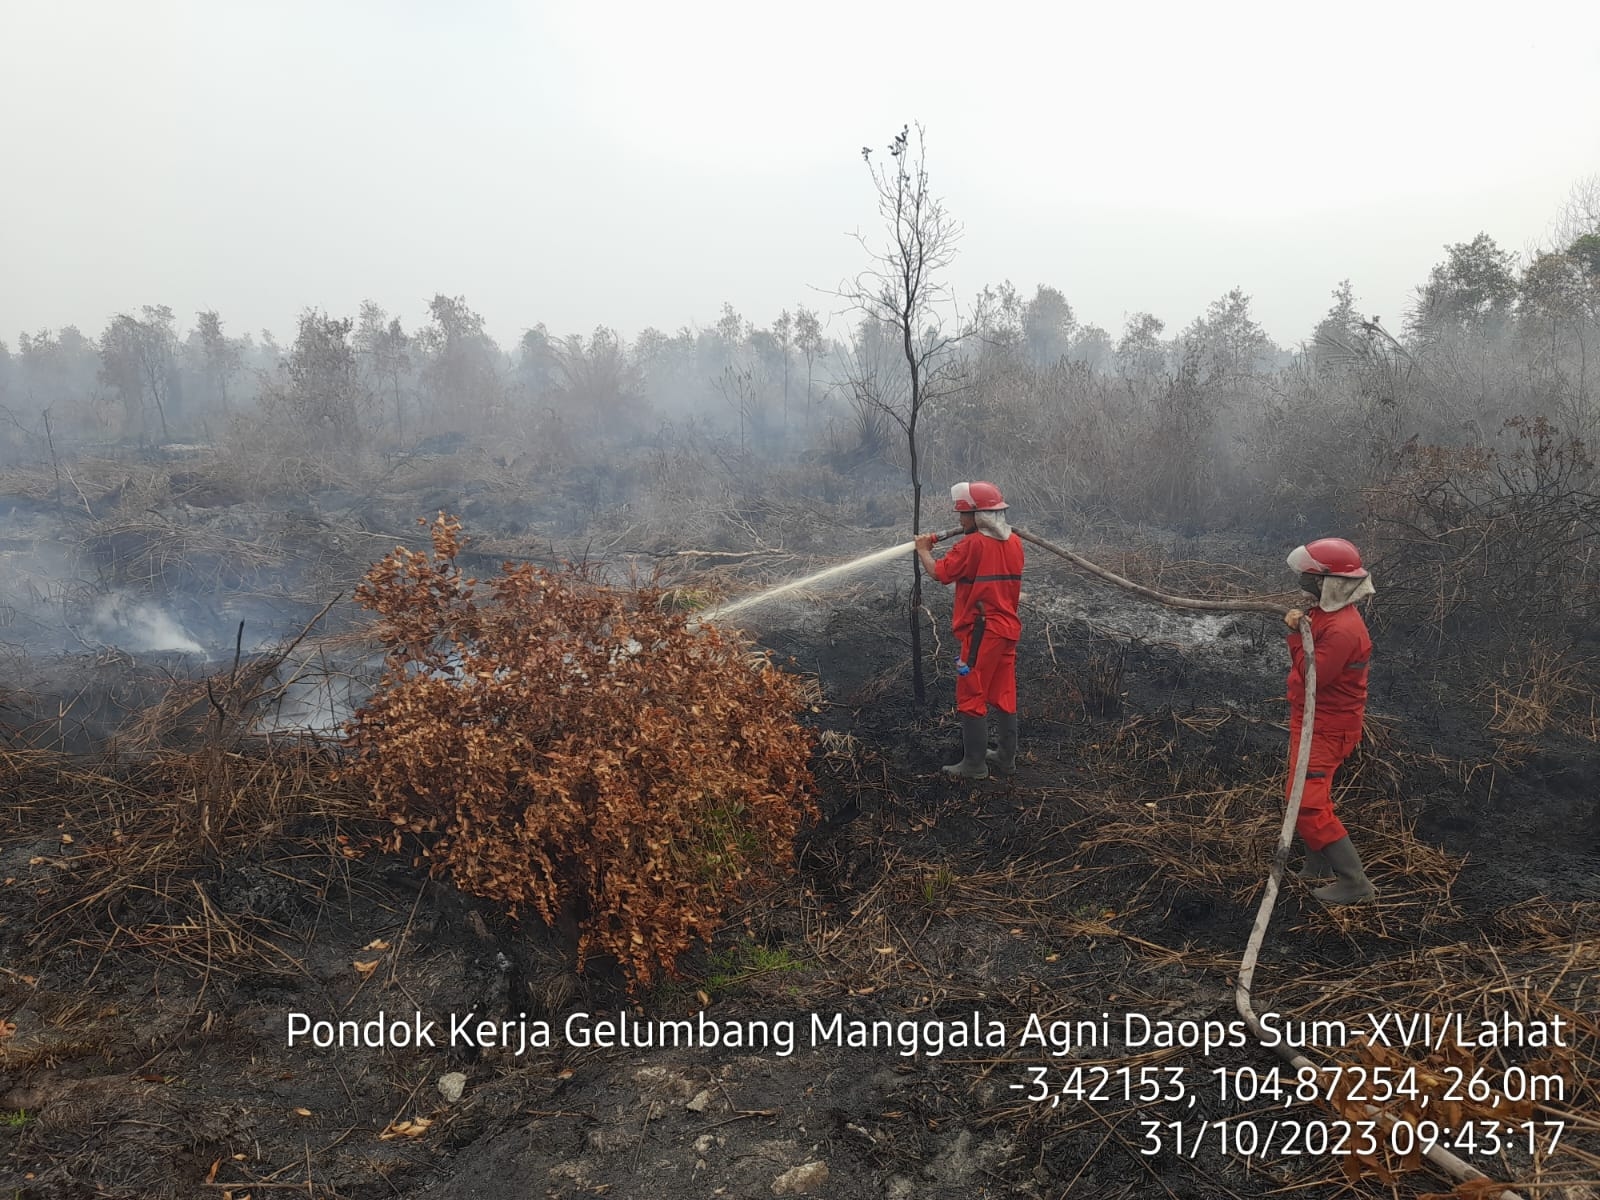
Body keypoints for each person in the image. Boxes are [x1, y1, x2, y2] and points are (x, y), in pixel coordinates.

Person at [1283, 537, 1377, 904]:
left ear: (1331, 582)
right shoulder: (1330, 614)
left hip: (1326, 728)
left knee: (1305, 801)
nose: (1305, 585)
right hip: (1313, 721)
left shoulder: (1342, 630)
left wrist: (1294, 635)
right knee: (1302, 792)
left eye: (1311, 579)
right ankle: (1317, 866)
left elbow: (1313, 677)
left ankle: (1355, 883)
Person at [914, 482, 1025, 779]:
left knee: (970, 687)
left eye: (963, 515)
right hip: (1007, 629)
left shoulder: (972, 545)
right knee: (1004, 691)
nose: (960, 521)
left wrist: (923, 550)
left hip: (982, 634)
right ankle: (1005, 756)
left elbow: (940, 573)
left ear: (978, 516)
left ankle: (974, 764)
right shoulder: (1014, 542)